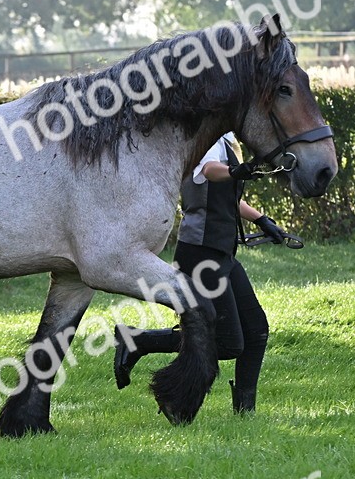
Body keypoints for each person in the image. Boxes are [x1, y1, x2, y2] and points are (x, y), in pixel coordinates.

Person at [114, 133, 288, 413]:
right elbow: (209, 171)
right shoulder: (205, 139)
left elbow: (226, 197)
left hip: (222, 253)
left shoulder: (227, 140)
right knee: (228, 343)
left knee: (256, 330)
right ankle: (140, 340)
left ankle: (245, 412)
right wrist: (238, 171)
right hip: (201, 253)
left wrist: (262, 219)